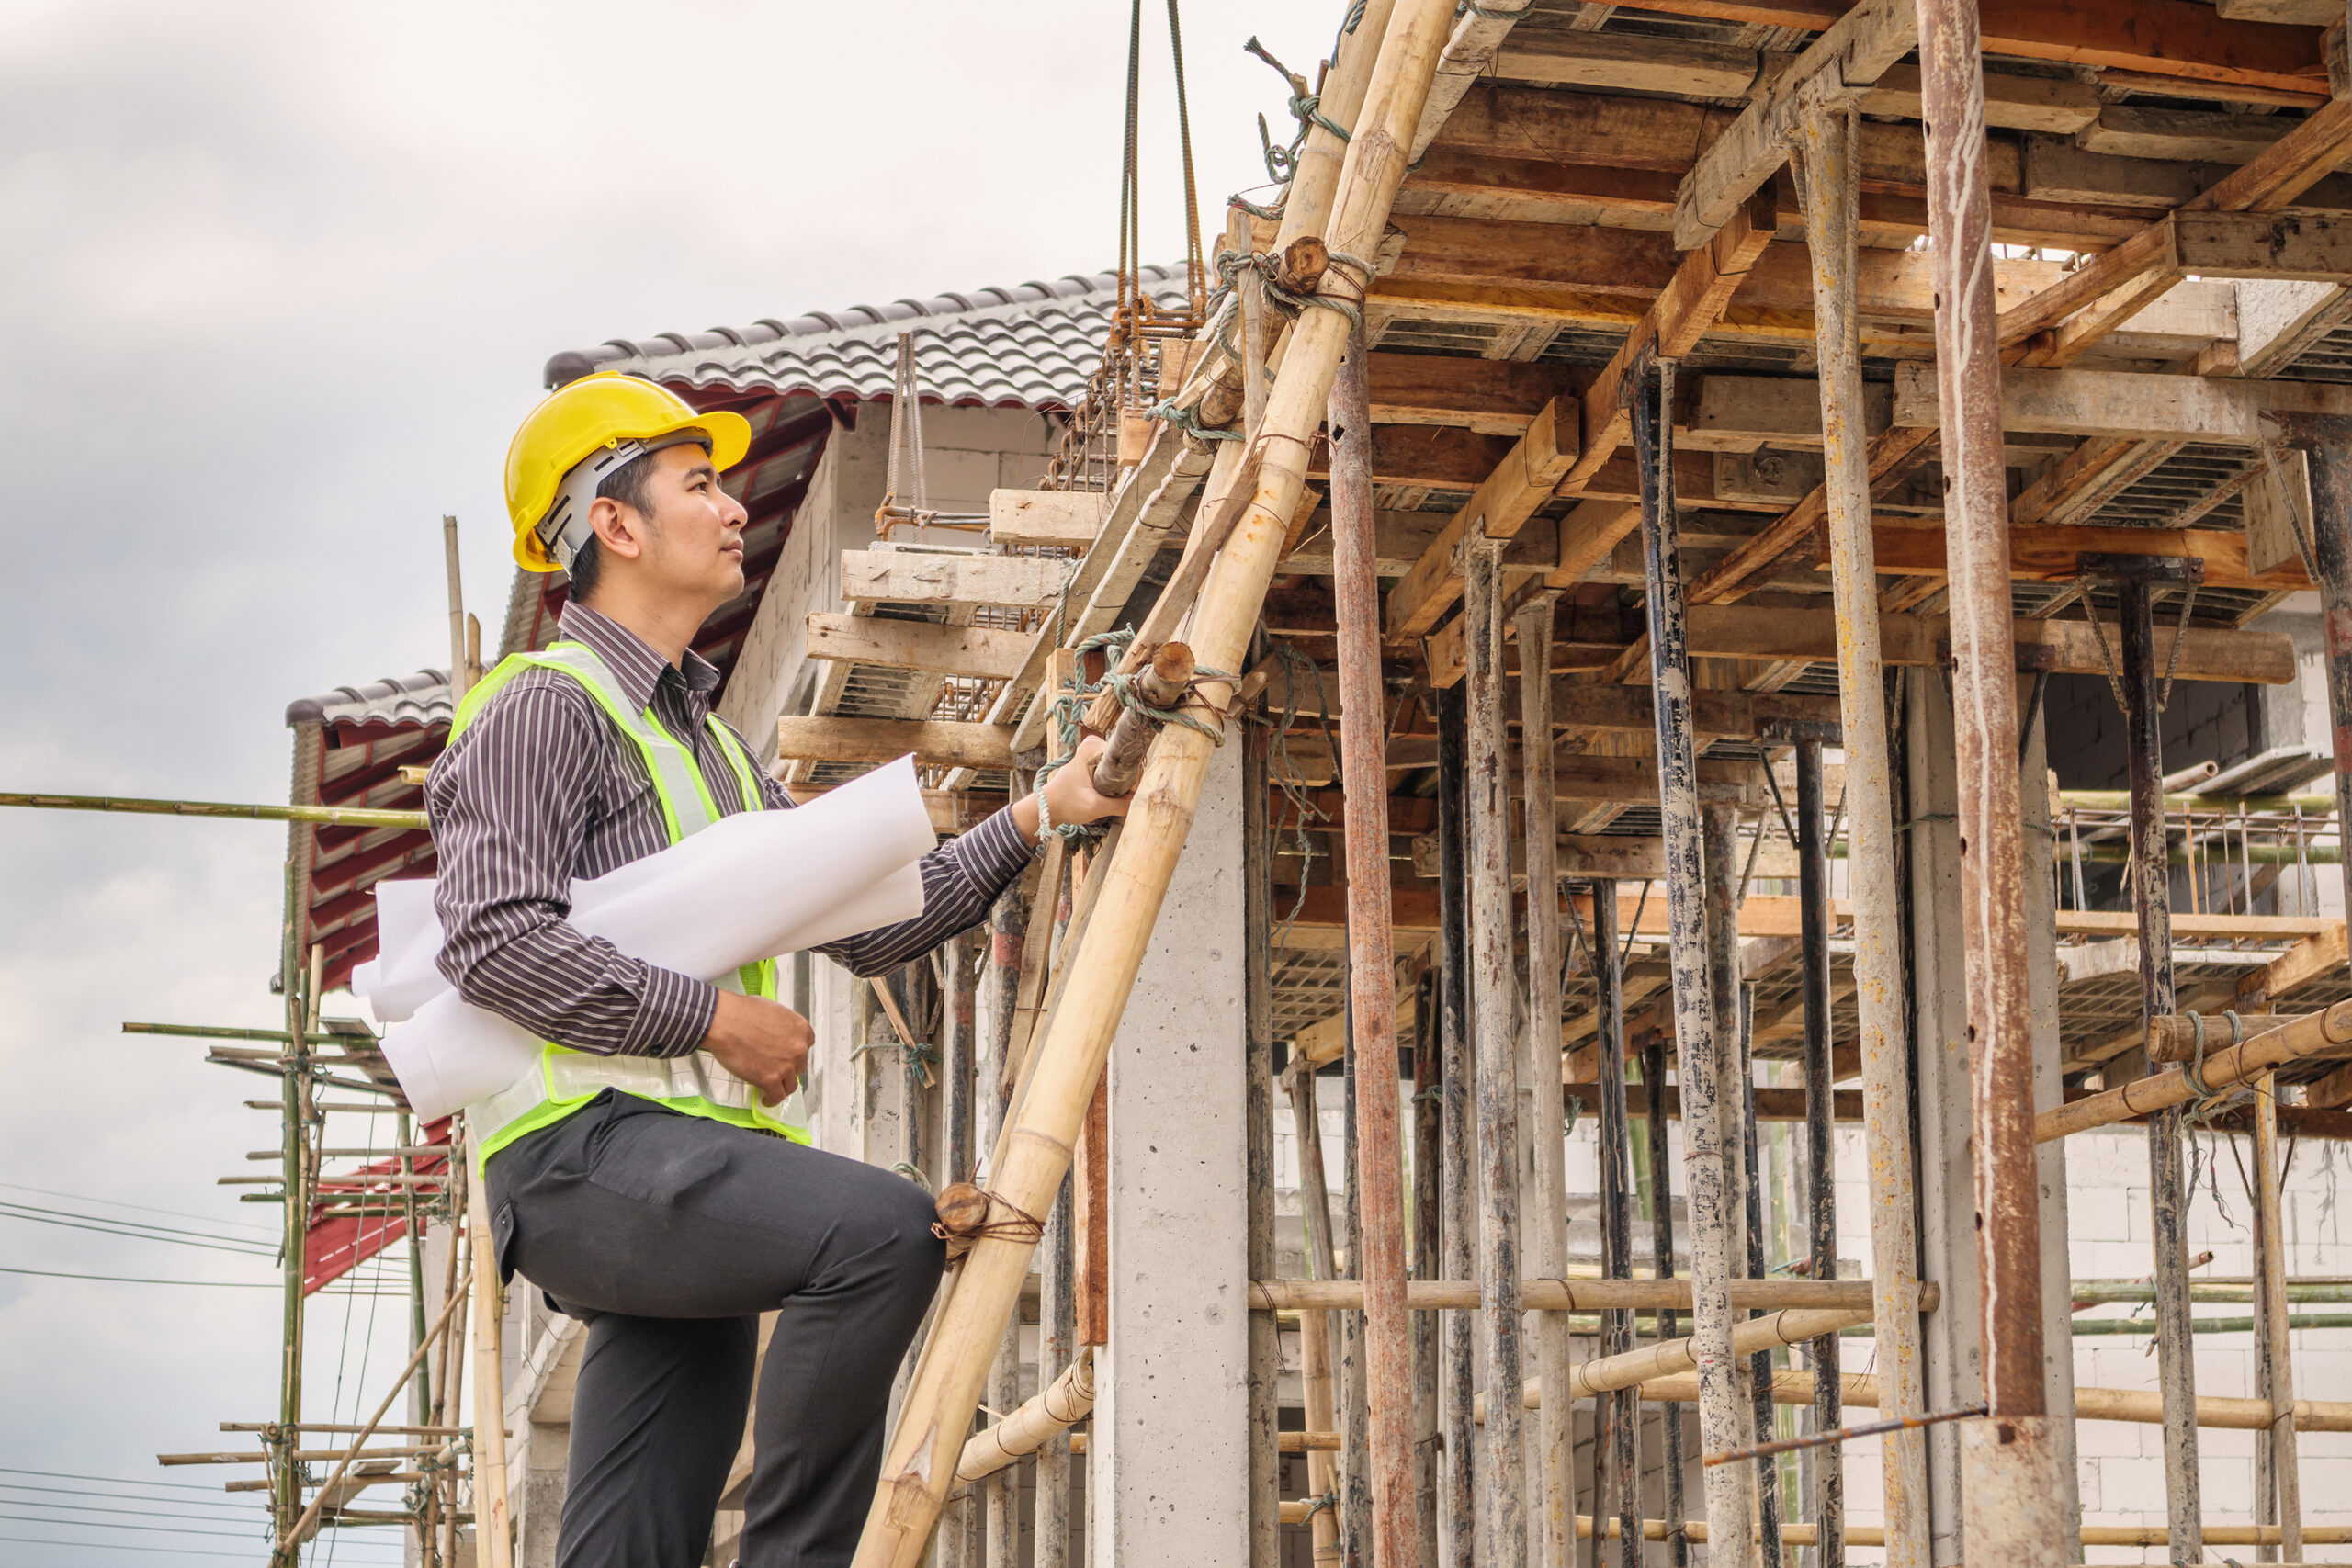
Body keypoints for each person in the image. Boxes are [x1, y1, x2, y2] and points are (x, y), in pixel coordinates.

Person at [425, 371, 1126, 1568]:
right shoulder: (543, 710)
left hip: (660, 1175)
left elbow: (874, 925)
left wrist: (1041, 814)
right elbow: (493, 942)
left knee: (632, 1537)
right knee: (880, 1235)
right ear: (615, 525)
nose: (733, 506)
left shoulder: (715, 756)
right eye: (699, 483)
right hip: (576, 1160)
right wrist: (712, 1020)